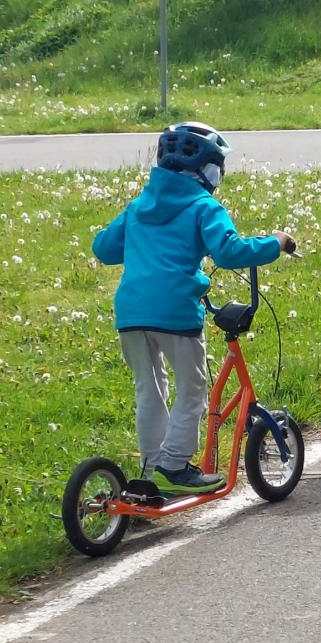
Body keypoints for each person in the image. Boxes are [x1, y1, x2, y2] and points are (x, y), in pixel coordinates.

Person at [92, 122, 295, 491]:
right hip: (175, 311)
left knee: (149, 389)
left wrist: (138, 239)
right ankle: (174, 466)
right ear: (208, 170)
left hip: (131, 313)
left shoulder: (139, 206)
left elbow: (104, 248)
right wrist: (274, 243)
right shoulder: (204, 206)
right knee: (192, 390)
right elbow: (229, 252)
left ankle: (152, 468)